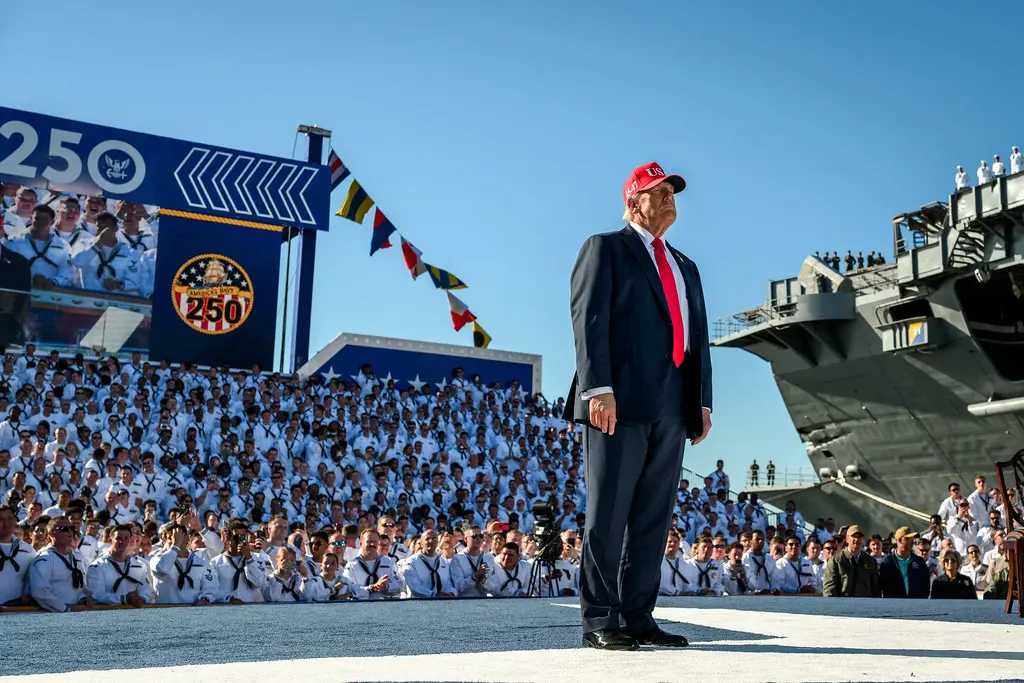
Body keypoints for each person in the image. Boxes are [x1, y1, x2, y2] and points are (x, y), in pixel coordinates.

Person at [564, 161, 712, 651]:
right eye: (659, 192)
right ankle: (599, 619)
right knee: (607, 514)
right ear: (634, 202)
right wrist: (596, 387)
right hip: (618, 401)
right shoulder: (606, 247)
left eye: (672, 191)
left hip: (673, 403)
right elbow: (589, 319)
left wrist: (702, 401)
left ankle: (637, 616)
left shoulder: (685, 265)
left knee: (653, 517)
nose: (670, 198)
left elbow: (698, 341)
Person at [822, 525, 880, 597]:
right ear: (847, 539)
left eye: (860, 537)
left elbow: (876, 588)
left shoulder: (870, 561)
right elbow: (829, 590)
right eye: (854, 536)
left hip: (865, 606)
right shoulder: (836, 561)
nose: (857, 539)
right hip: (843, 606)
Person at [878, 526, 930, 598]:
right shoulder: (887, 563)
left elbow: (925, 585)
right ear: (899, 541)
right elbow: (885, 588)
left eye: (913, 538)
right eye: (908, 538)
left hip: (916, 606)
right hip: (896, 606)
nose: (912, 541)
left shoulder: (919, 561)